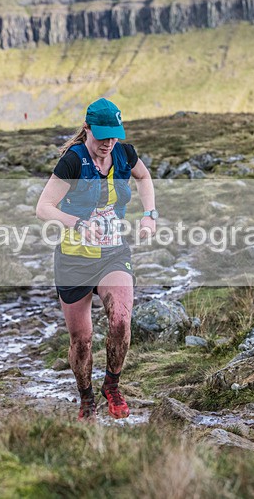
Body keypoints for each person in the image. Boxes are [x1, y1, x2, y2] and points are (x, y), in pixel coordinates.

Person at [36, 98, 157, 421]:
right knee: (82, 340)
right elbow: (43, 207)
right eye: (102, 136)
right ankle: (86, 397)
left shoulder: (123, 152)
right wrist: (77, 224)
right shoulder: (72, 161)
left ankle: (112, 386)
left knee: (120, 320)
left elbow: (144, 179)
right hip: (74, 259)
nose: (108, 143)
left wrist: (149, 215)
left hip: (114, 253)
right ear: (87, 128)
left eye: (113, 135)